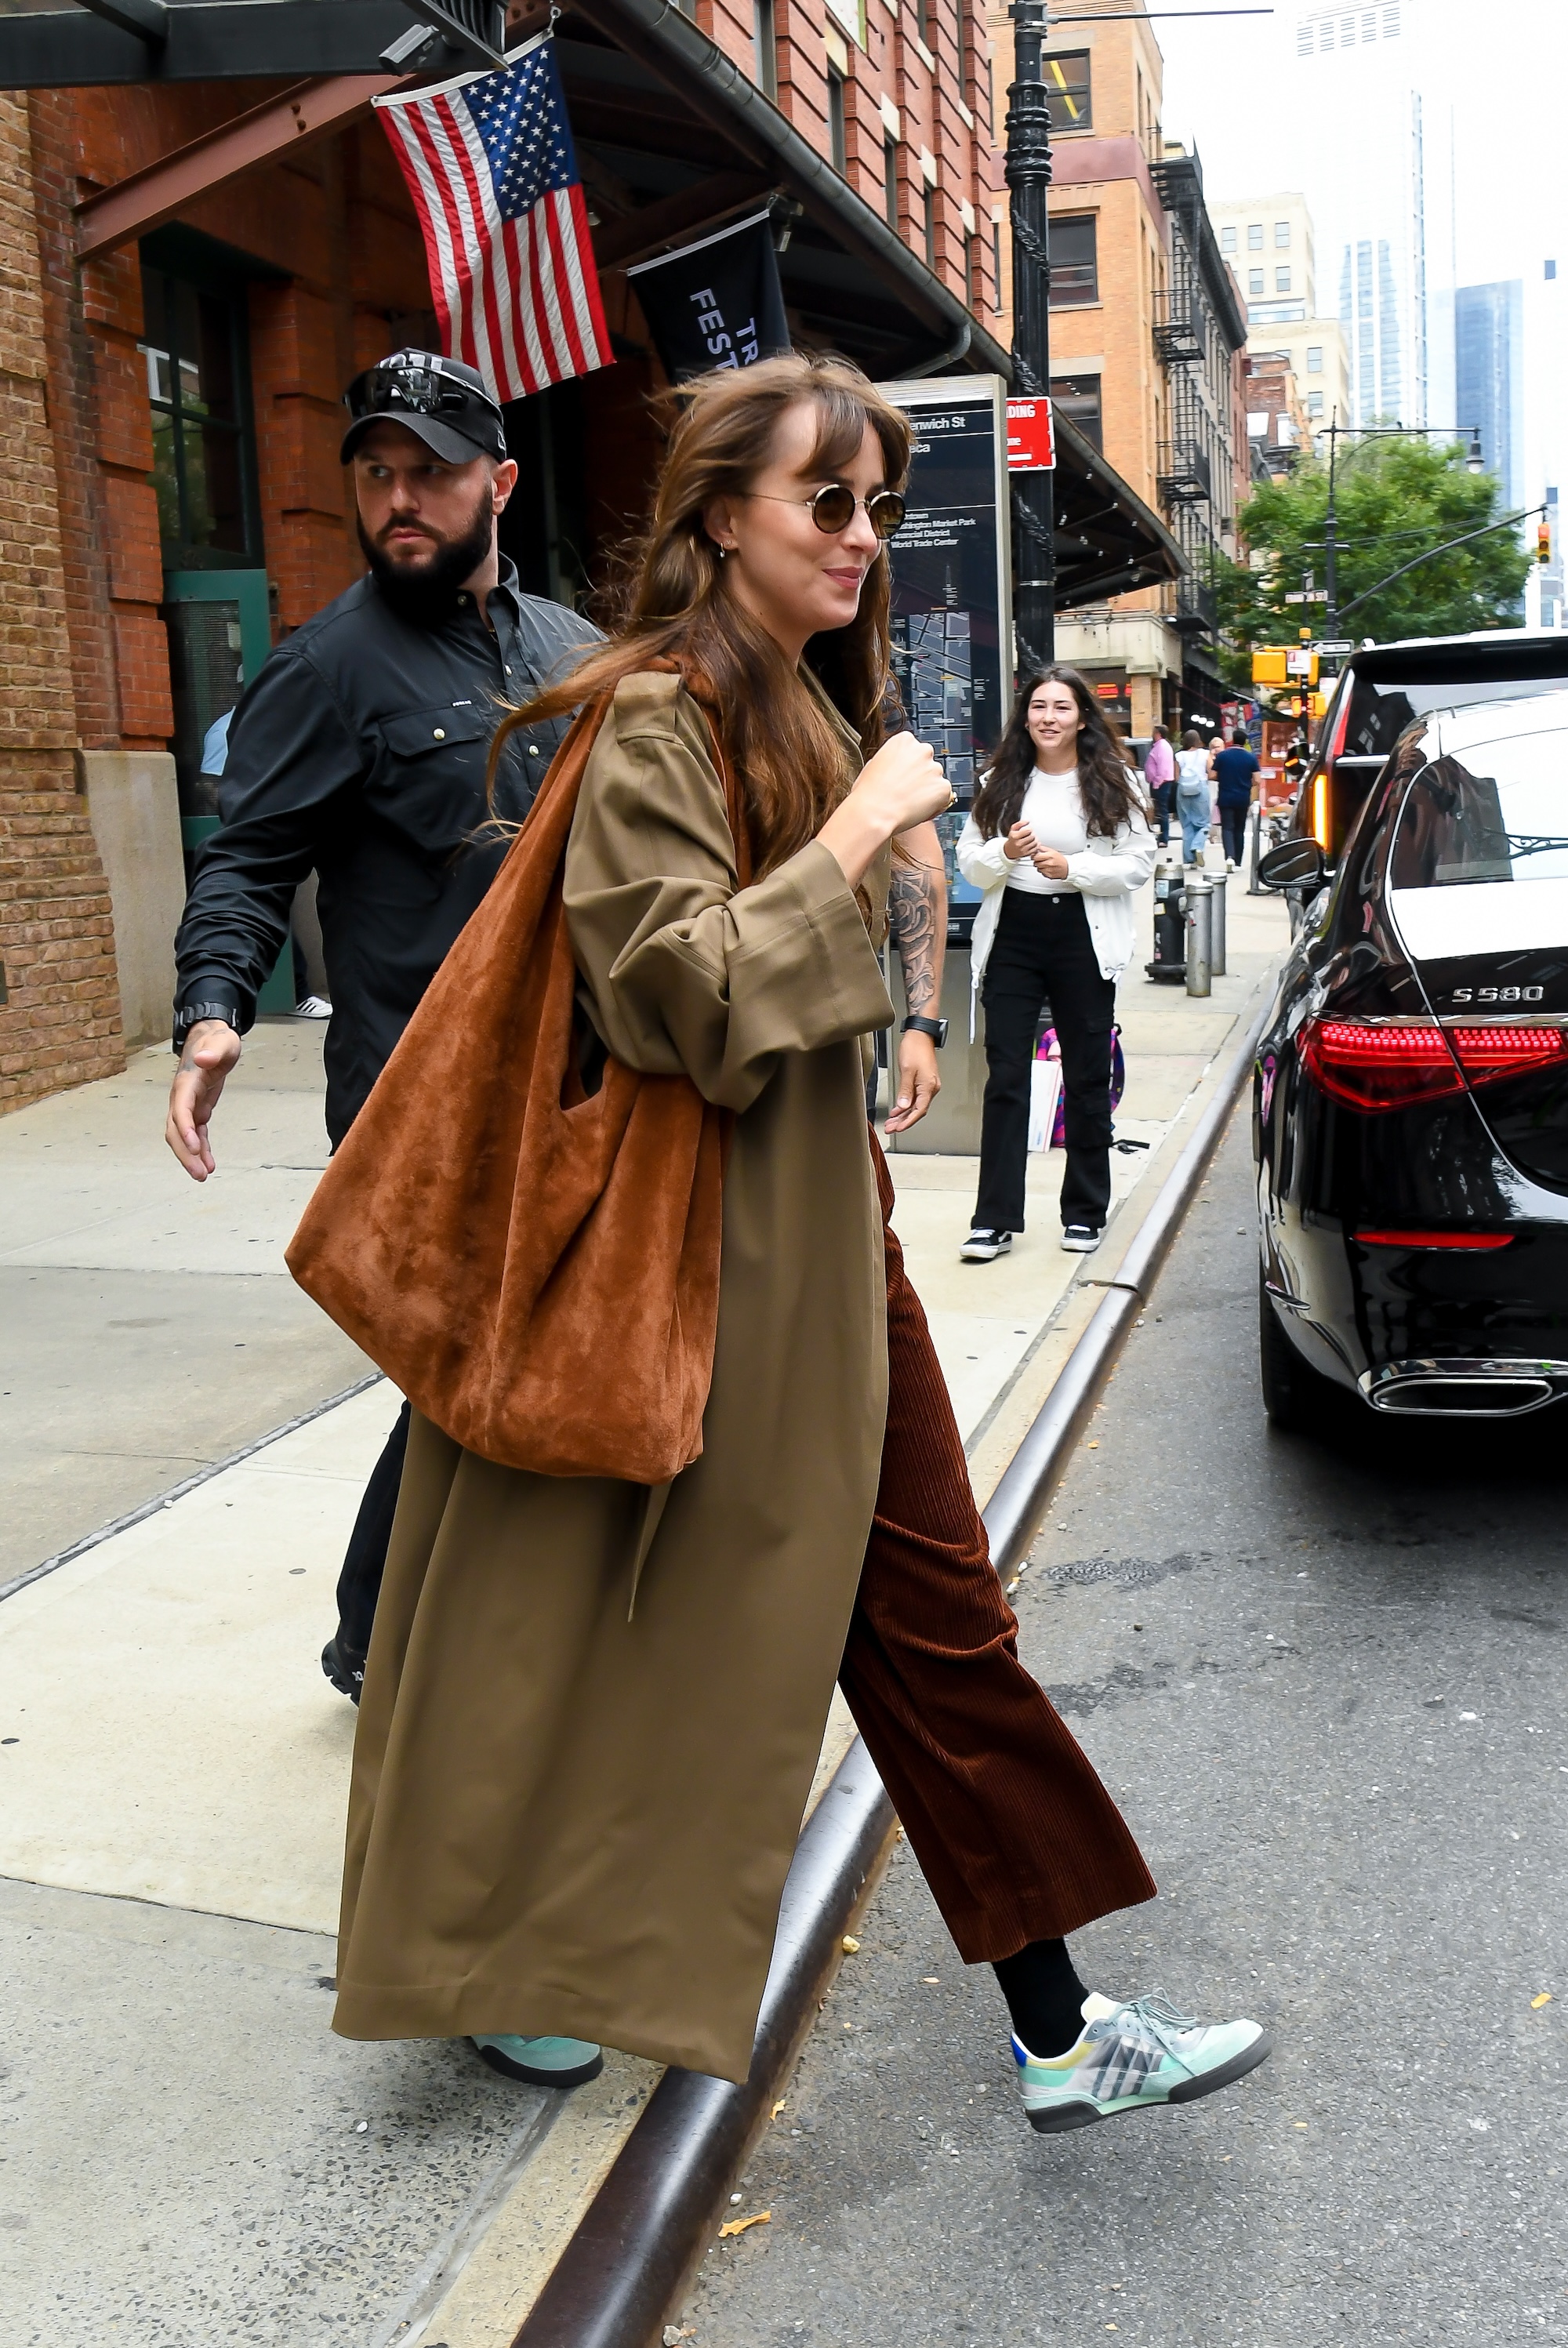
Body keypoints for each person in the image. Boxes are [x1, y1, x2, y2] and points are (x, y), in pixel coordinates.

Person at [328, 351, 1269, 2124]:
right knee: (602, 1624)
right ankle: (510, 1963)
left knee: (923, 1624)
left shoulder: (775, 699)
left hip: (811, 1254)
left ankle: (1056, 2027)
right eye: (821, 504)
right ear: (715, 518)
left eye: (873, 508)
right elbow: (674, 987)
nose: (858, 538)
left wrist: (903, 1003)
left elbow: (842, 929)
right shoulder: (659, 720)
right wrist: (852, 829)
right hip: (708, 1272)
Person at [163, 350, 598, 1704]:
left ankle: (389, 1631)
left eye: (430, 471)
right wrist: (214, 1005)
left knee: (496, 1378)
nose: (399, 498)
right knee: (473, 1368)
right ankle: (388, 1639)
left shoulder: (572, 651)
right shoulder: (327, 666)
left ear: (500, 484)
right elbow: (246, 859)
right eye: (376, 473)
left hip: (579, 1084)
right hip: (422, 1096)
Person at [955, 669, 1156, 1266]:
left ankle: (1086, 1211)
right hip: (1014, 933)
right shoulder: (1002, 780)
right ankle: (994, 1220)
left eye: (1061, 707)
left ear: (1082, 718)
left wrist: (1075, 869)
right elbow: (969, 863)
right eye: (1037, 706)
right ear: (1025, 717)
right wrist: (1005, 853)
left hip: (1081, 933)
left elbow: (1139, 862)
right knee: (1007, 1075)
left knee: (1088, 1074)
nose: (1048, 717)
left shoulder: (1115, 782)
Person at [1213, 726, 1261, 867]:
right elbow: (1257, 780)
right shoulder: (1251, 757)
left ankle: (1230, 857)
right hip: (1243, 797)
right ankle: (1238, 861)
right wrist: (1247, 783)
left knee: (1227, 827)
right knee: (1240, 829)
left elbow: (1212, 775)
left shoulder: (1222, 756)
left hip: (1225, 797)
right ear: (1245, 741)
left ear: (1233, 740)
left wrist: (1224, 779)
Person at [1174, 727, 1214, 865]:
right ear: (1198, 741)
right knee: (1204, 823)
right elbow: (1212, 772)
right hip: (1200, 787)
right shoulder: (1205, 754)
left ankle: (1189, 861)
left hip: (1183, 789)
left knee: (1187, 824)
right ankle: (1197, 846)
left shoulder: (1179, 755)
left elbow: (1176, 777)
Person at [1143, 720, 1174, 845]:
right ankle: (1161, 836)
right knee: (1160, 810)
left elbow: (1163, 767)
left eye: (1154, 732)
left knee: (1162, 810)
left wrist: (1157, 782)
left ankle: (1164, 838)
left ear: (1158, 733)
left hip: (1161, 783)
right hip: (1159, 782)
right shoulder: (1159, 746)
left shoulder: (1162, 746)